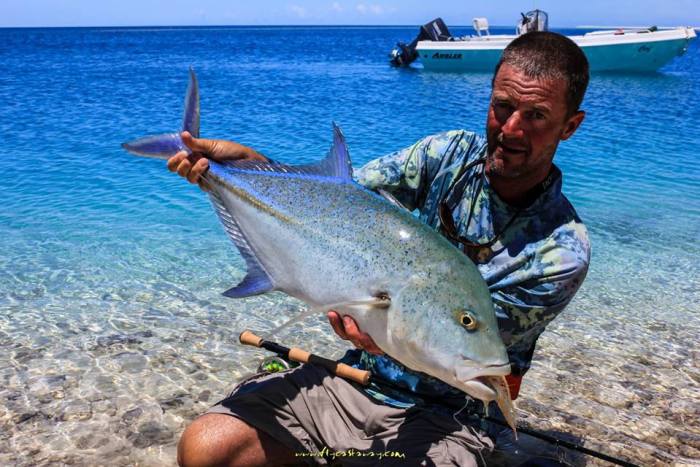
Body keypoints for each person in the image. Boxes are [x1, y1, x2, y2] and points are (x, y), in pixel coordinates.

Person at [172, 31, 590, 467]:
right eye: (502, 106)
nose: (511, 129)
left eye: (536, 115)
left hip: (449, 419)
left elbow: (460, 350)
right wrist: (245, 166)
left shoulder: (561, 253)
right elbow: (338, 204)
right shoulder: (447, 155)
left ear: (570, 125)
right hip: (354, 379)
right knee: (209, 448)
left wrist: (379, 329)